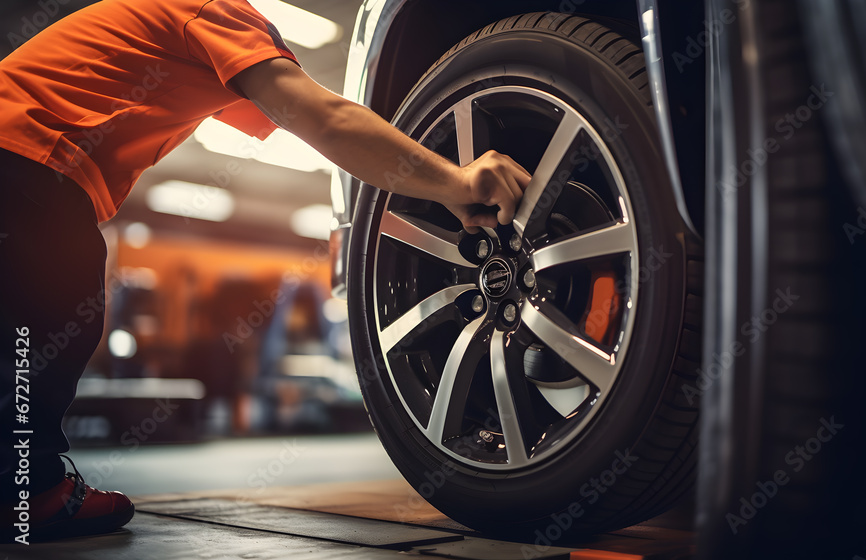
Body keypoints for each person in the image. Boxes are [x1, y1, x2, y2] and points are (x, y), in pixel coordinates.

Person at [0, 0, 529, 543]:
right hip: (23, 157)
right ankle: (31, 493)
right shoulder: (210, 8)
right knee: (50, 315)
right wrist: (458, 182)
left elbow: (285, 112)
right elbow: (325, 119)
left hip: (24, 157)